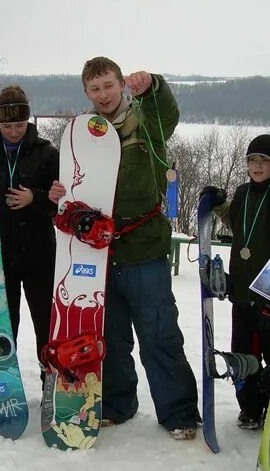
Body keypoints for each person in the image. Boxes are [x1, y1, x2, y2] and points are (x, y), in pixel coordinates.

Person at [48, 57, 199, 441]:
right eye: (94, 89)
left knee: (159, 332)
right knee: (109, 336)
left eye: (109, 86)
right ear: (86, 92)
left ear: (121, 85)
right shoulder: (82, 134)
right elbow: (74, 184)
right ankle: (116, 403)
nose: (103, 95)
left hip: (144, 246)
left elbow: (166, 111)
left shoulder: (147, 124)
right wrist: (61, 194)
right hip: (98, 254)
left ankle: (178, 411)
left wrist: (153, 87)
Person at [208, 135, 270, 430]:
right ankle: (251, 408)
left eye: (263, 160)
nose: (257, 166)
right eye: (252, 160)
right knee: (243, 355)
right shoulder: (242, 192)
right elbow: (234, 220)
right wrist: (217, 204)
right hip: (242, 293)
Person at [0, 85, 58, 378]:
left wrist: (35, 198)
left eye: (19, 124)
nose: (13, 131)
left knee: (45, 323)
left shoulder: (47, 153)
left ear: (28, 121)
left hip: (39, 253)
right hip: (0, 254)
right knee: (4, 323)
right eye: (6, 125)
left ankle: (49, 381)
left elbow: (59, 203)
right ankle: (3, 381)